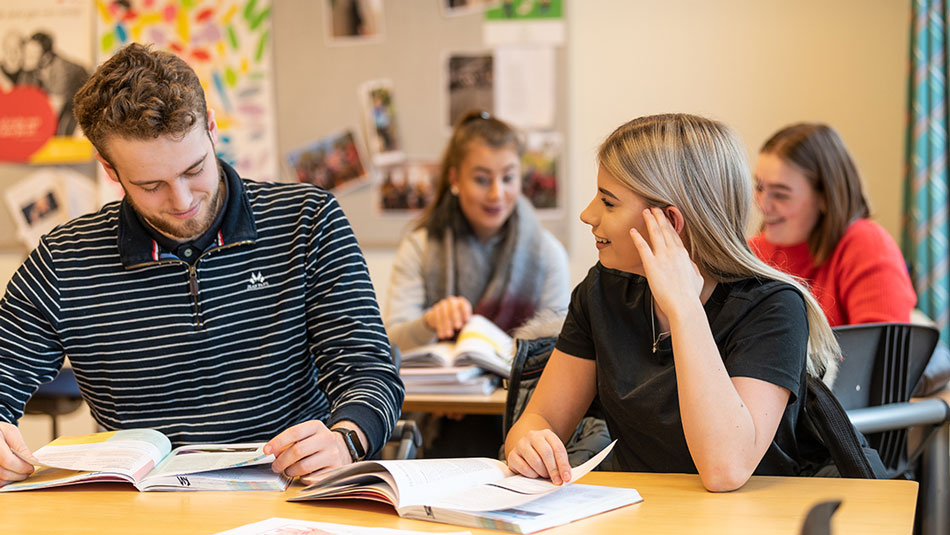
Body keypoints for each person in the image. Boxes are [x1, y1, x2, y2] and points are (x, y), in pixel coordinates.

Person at [0, 43, 403, 486]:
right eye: (151, 185)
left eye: (194, 169)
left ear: (210, 128)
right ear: (110, 169)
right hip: (142, 506)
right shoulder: (66, 260)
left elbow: (369, 370)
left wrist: (345, 439)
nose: (183, 201)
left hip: (292, 492)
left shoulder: (307, 221)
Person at [504, 113, 841, 492]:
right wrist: (528, 441)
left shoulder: (773, 308)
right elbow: (541, 418)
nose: (588, 215)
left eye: (609, 203)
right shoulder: (601, 290)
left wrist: (683, 307)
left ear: (668, 221)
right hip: (638, 515)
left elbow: (725, 469)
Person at [385, 110, 569, 457]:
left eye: (509, 178)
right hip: (437, 420)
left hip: (523, 416)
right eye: (482, 179)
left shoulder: (547, 254)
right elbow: (390, 341)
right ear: (455, 178)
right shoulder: (420, 247)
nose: (497, 193)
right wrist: (429, 323)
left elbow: (561, 354)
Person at [749, 123, 916, 327]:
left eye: (781, 194)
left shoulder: (867, 245)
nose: (761, 204)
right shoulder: (753, 252)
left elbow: (881, 353)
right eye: (759, 187)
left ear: (825, 197)